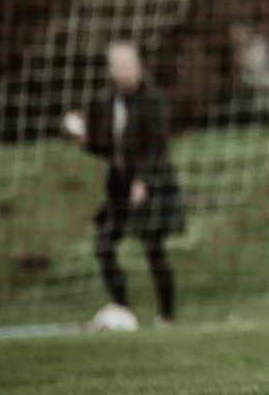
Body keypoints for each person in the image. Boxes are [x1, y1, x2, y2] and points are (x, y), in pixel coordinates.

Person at [62, 41, 185, 329]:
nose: (123, 71)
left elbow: (158, 147)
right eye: (117, 66)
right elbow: (112, 148)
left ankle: (167, 315)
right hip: (119, 187)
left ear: (138, 65)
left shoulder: (153, 99)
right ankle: (123, 310)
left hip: (149, 184)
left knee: (153, 248)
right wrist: (85, 140)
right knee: (104, 244)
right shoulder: (111, 101)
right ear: (111, 70)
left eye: (127, 65)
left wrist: (144, 180)